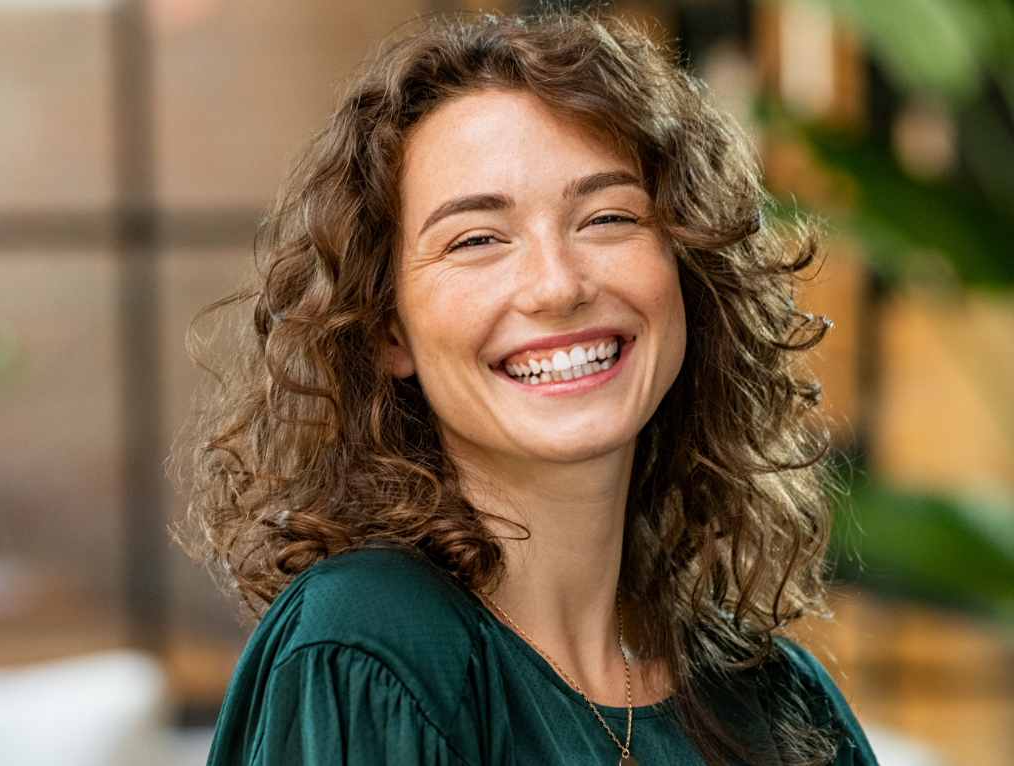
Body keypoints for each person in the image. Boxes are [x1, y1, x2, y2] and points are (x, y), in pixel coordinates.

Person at [181, 11, 878, 766]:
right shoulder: (367, 647)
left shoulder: (781, 702)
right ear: (388, 330)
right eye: (477, 239)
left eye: (608, 217)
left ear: (688, 271)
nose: (556, 285)